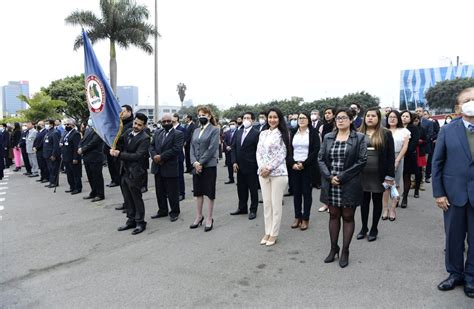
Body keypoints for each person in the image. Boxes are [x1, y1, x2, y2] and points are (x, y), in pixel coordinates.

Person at [432, 87, 474, 298]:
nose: (472, 102)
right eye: (467, 100)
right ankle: (454, 274)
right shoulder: (448, 130)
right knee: (454, 238)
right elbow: (437, 163)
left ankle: (471, 278)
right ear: (459, 107)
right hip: (453, 195)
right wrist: (439, 193)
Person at [318, 108, 367, 268]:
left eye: (344, 118)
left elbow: (361, 161)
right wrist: (329, 177)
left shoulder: (359, 138)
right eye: (338, 118)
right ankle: (334, 248)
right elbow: (321, 159)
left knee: (347, 216)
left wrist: (342, 176)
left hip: (349, 183)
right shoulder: (328, 137)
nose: (340, 120)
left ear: (351, 120)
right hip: (330, 183)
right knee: (333, 215)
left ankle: (345, 250)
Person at [357, 108, 395, 242]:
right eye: (368, 115)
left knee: (377, 201)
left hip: (379, 175)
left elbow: (391, 157)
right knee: (364, 202)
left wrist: (390, 176)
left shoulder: (386, 133)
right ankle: (363, 228)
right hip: (362, 174)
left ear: (378, 118)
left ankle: (374, 228)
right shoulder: (358, 132)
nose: (370, 118)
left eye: (373, 116)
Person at [111, 113, 151, 235]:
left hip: (136, 172)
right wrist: (113, 143)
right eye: (135, 123)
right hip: (124, 170)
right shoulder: (128, 132)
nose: (136, 126)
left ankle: (140, 222)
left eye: (139, 125)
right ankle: (131, 219)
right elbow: (119, 141)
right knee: (127, 197)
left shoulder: (145, 138)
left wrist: (119, 154)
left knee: (136, 197)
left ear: (144, 126)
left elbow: (138, 156)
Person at [256, 107, 290, 246]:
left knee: (276, 205)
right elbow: (258, 152)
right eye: (270, 117)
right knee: (267, 205)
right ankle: (267, 231)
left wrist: (269, 167)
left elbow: (282, 153)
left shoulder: (283, 133)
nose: (272, 120)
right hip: (263, 173)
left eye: (275, 117)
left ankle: (274, 233)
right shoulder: (262, 133)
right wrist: (262, 167)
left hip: (278, 173)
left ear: (279, 118)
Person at [287, 111, 320, 230]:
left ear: (308, 120)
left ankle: (305, 218)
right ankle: (297, 217)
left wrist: (304, 164)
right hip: (294, 167)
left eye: (304, 118)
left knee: (306, 193)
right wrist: (292, 163)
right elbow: (288, 150)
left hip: (307, 167)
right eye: (299, 118)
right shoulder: (292, 133)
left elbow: (316, 150)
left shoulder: (313, 133)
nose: (301, 120)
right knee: (296, 193)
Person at [189, 106, 220, 232]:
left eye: (204, 114)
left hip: (209, 165)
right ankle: (198, 216)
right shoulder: (196, 130)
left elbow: (212, 148)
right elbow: (191, 147)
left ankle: (209, 218)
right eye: (200, 114)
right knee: (198, 192)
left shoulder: (214, 130)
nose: (202, 116)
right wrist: (194, 162)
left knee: (209, 192)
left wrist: (201, 162)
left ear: (209, 116)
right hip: (197, 165)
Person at [149, 113, 184, 222]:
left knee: (172, 192)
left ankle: (174, 212)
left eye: (169, 121)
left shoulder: (178, 134)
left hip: (170, 167)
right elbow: (152, 146)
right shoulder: (158, 132)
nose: (166, 123)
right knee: (159, 191)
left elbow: (176, 149)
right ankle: (162, 210)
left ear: (172, 122)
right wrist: (154, 156)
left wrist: (161, 157)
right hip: (157, 167)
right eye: (164, 122)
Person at [230, 112, 260, 220]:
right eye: (244, 118)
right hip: (239, 166)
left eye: (248, 118)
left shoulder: (257, 133)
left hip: (251, 166)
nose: (246, 120)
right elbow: (233, 148)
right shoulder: (239, 132)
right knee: (241, 188)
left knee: (253, 189)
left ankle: (253, 210)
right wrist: (234, 162)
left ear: (252, 120)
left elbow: (259, 151)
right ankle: (242, 208)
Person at [383, 110, 410, 220]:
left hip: (398, 157)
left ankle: (393, 209)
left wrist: (397, 160)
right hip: (384, 158)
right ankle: (385, 209)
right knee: (385, 185)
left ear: (398, 118)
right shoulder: (383, 131)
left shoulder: (404, 131)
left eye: (394, 117)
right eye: (390, 117)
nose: (392, 119)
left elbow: (405, 147)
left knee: (396, 184)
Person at [79, 119, 105, 202]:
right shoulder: (88, 129)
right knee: (90, 176)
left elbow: (94, 142)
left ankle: (100, 194)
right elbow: (82, 140)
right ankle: (93, 192)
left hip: (95, 157)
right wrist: (80, 147)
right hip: (87, 157)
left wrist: (83, 149)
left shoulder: (99, 130)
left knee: (97, 176)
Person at [400, 110, 420, 208]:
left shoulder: (414, 128)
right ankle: (395, 198)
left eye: (406, 116)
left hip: (408, 156)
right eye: (403, 116)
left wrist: (404, 152)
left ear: (410, 118)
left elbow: (414, 143)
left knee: (406, 176)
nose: (404, 118)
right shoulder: (396, 127)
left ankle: (405, 198)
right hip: (395, 156)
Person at [318, 107, 336, 212]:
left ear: (334, 115)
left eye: (329, 113)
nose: (327, 115)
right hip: (324, 156)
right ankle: (326, 204)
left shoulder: (336, 126)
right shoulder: (322, 127)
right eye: (325, 113)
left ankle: (332, 204)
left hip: (334, 155)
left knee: (333, 180)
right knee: (324, 182)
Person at [61, 119, 82, 195]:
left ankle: (78, 188)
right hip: (66, 157)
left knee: (75, 173)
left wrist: (75, 158)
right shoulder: (66, 133)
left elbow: (76, 147)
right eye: (65, 125)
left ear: (73, 125)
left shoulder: (76, 133)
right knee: (69, 173)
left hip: (73, 157)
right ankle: (72, 187)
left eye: (68, 124)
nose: (66, 126)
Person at [42, 120, 61, 188]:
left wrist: (54, 154)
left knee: (53, 169)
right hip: (47, 154)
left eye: (47, 124)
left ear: (52, 125)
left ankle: (54, 182)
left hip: (52, 155)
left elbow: (56, 145)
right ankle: (51, 181)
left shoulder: (54, 132)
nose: (46, 125)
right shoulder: (48, 132)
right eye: (46, 123)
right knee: (50, 169)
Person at [172, 113, 186, 201]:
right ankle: (174, 192)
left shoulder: (181, 129)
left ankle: (181, 193)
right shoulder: (170, 128)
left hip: (179, 154)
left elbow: (182, 141)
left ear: (177, 118)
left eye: (173, 117)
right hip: (171, 156)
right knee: (172, 176)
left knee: (180, 175)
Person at [413, 114, 427, 198]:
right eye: (413, 120)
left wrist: (421, 141)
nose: (415, 122)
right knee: (407, 172)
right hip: (411, 151)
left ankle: (417, 190)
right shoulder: (408, 128)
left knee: (419, 171)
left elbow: (426, 140)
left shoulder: (422, 129)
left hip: (419, 152)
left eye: (416, 120)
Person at [223, 120, 237, 184]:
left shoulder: (238, 132)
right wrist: (226, 146)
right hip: (228, 151)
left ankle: (239, 180)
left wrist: (232, 146)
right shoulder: (227, 132)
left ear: (236, 124)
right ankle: (231, 179)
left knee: (236, 165)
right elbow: (224, 141)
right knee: (229, 166)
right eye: (230, 124)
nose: (232, 125)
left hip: (235, 152)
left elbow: (237, 141)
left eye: (233, 124)